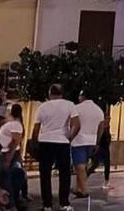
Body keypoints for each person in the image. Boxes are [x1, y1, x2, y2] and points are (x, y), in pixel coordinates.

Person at [32, 83, 80, 211]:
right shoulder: (69, 105)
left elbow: (36, 129)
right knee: (64, 173)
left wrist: (34, 143)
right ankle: (64, 203)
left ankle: (47, 204)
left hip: (45, 141)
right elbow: (77, 124)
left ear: (49, 94)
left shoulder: (42, 107)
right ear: (62, 93)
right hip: (62, 142)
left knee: (45, 174)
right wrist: (69, 137)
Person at [71, 90, 106, 198]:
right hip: (92, 140)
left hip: (79, 140)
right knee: (82, 165)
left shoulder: (76, 108)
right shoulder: (98, 110)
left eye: (79, 95)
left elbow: (73, 124)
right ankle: (77, 188)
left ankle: (85, 190)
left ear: (83, 96)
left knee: (79, 166)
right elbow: (101, 128)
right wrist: (97, 142)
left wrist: (70, 137)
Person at [0, 103, 26, 209]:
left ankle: (9, 204)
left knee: (6, 180)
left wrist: (8, 157)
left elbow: (15, 141)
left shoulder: (15, 124)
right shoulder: (12, 123)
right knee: (5, 179)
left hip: (6, 154)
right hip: (4, 153)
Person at [87, 116, 112, 189]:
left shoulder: (107, 127)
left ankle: (106, 181)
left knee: (102, 164)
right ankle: (84, 178)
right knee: (96, 164)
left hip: (105, 148)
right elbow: (100, 137)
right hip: (100, 147)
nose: (109, 120)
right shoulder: (102, 127)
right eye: (108, 119)